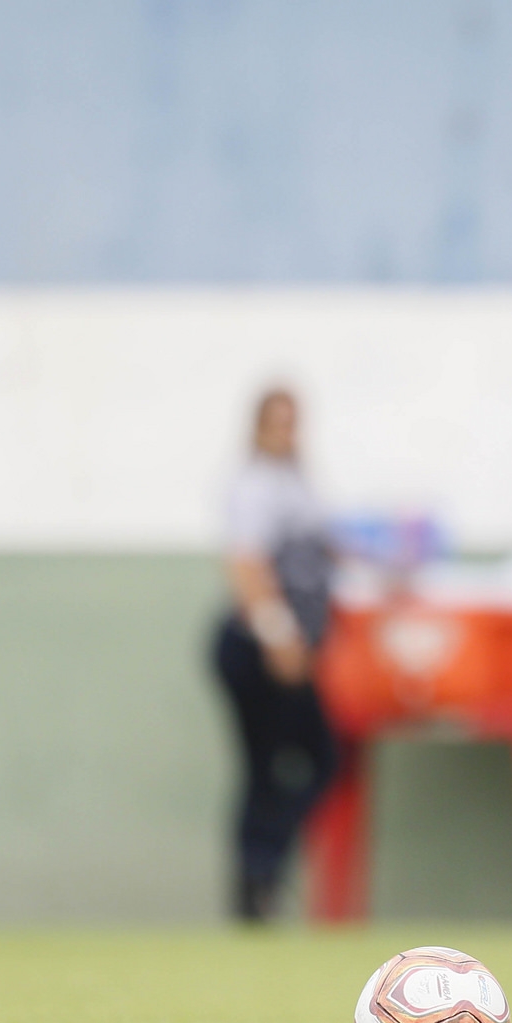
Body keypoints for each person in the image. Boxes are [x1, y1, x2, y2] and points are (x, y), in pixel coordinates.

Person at [210, 387, 337, 922]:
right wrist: (278, 634)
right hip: (257, 649)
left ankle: (263, 870)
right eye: (277, 422)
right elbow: (246, 565)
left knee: (317, 760)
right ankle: (255, 879)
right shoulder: (254, 485)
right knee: (269, 767)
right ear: (258, 427)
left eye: (293, 422)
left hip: (292, 648)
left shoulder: (298, 483)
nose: (287, 433)